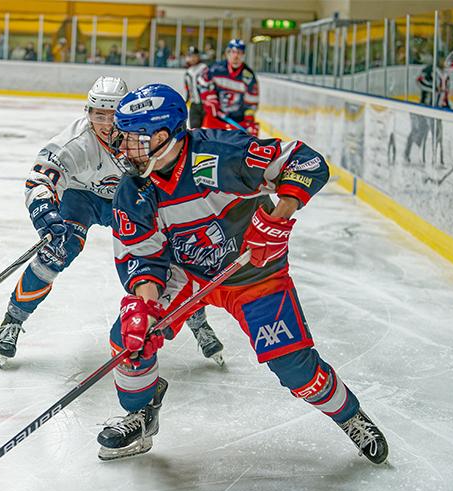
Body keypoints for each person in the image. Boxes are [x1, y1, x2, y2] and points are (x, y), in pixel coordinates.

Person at [95, 83, 389, 467]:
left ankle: (350, 416)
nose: (123, 149)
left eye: (134, 139)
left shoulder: (221, 154)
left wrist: (278, 218)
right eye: (122, 138)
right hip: (189, 275)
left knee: (294, 367)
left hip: (254, 273)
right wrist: (145, 307)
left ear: (163, 137)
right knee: (130, 338)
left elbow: (305, 162)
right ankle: (140, 413)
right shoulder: (133, 191)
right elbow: (143, 257)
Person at [0, 77, 224, 368]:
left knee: (171, 258)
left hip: (131, 198)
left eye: (112, 115)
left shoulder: (140, 136)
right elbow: (41, 177)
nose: (105, 124)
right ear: (87, 113)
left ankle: (198, 322)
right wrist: (44, 208)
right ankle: (13, 319)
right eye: (98, 115)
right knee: (56, 251)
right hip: (82, 197)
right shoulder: (76, 142)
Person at [200, 39, 260, 136]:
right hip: (214, 120)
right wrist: (210, 100)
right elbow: (203, 83)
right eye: (233, 52)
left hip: (237, 122)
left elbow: (252, 102)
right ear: (227, 53)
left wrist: (249, 121)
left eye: (239, 53)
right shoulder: (215, 69)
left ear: (244, 55)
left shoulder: (248, 76)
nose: (236, 56)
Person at [183, 46, 207, 128]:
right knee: (194, 130)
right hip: (194, 105)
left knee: (208, 130)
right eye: (190, 56)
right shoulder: (188, 72)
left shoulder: (204, 68)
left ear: (198, 56)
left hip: (205, 105)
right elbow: (188, 90)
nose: (192, 58)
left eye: (194, 56)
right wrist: (185, 103)